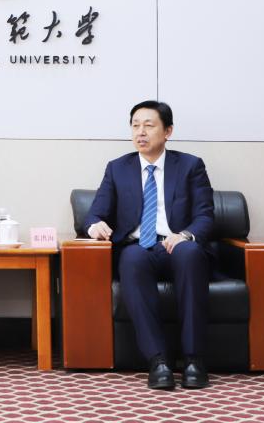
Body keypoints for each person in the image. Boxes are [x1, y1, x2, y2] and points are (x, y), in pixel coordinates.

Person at [84, 100, 215, 390]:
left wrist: (186, 235)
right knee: (131, 259)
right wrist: (95, 226)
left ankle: (194, 360)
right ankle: (158, 361)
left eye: (148, 125)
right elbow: (94, 214)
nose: (140, 132)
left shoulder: (190, 166)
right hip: (138, 248)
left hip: (178, 244)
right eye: (135, 126)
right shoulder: (118, 168)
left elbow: (205, 216)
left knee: (190, 253)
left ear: (167, 131)